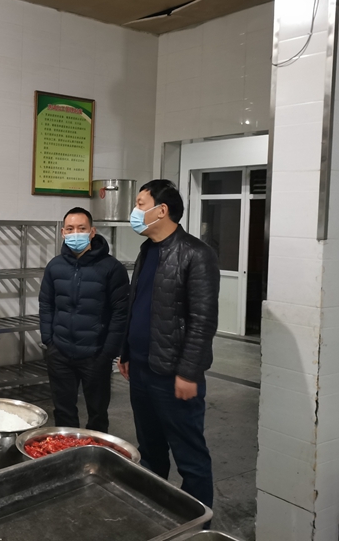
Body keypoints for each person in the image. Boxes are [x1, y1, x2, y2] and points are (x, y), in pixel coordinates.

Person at [118, 180, 220, 508]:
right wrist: (127, 352)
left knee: (190, 456)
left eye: (140, 203)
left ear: (161, 210)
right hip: (142, 369)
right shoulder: (147, 250)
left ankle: (198, 523)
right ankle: (155, 511)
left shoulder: (196, 254)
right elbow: (138, 306)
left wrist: (188, 373)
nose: (134, 211)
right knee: (150, 450)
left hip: (173, 374)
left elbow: (203, 321)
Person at [39, 207, 129, 433]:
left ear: (92, 232)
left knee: (97, 412)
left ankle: (95, 450)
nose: (75, 233)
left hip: (95, 354)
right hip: (60, 352)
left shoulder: (112, 268)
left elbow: (121, 313)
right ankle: (67, 450)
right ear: (62, 232)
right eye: (70, 229)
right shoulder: (55, 266)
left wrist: (108, 352)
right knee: (63, 411)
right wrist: (49, 340)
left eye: (81, 228)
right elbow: (46, 304)